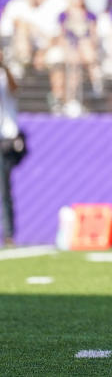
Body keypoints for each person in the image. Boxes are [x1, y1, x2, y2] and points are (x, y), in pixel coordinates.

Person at [0, 51, 23, 247]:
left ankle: (9, 234)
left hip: (4, 140)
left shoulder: (4, 75)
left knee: (4, 189)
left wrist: (4, 66)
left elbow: (15, 89)